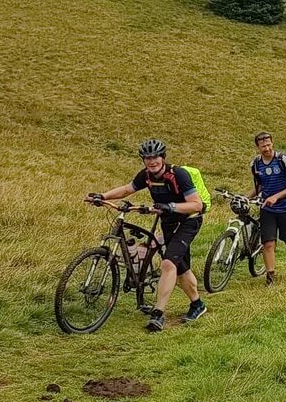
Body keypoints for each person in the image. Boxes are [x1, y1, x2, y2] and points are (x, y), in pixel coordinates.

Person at [87, 139, 206, 331]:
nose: (152, 161)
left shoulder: (178, 175)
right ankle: (197, 304)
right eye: (147, 158)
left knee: (168, 263)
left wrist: (170, 206)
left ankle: (158, 314)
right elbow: (127, 189)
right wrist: (103, 196)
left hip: (188, 221)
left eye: (155, 157)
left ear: (163, 157)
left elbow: (197, 205)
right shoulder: (146, 175)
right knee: (180, 267)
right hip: (168, 222)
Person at [247, 131, 286, 286]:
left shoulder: (283, 160)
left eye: (268, 145)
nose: (267, 148)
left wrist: (276, 197)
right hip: (267, 209)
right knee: (268, 243)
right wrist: (246, 197)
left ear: (272, 143)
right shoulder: (256, 164)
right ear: (258, 147)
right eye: (263, 146)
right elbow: (259, 186)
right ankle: (270, 278)